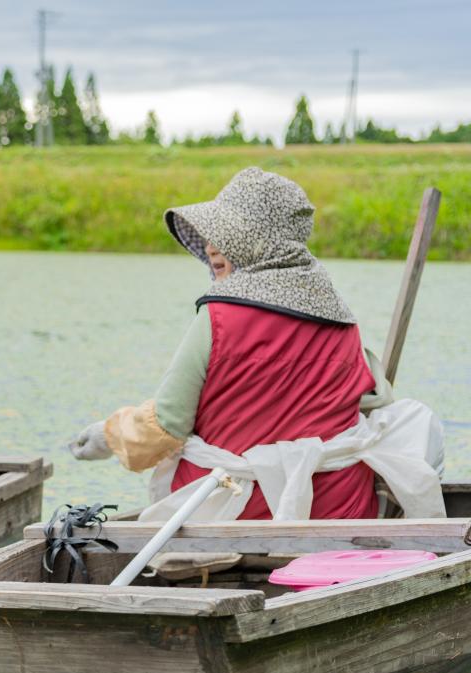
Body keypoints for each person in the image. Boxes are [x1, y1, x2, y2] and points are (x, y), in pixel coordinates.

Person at [69, 166, 443, 522]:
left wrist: (109, 435)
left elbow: (166, 426)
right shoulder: (339, 316)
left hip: (229, 512)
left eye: (227, 233)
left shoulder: (217, 318)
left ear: (257, 240)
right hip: (338, 511)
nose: (211, 246)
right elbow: (376, 401)